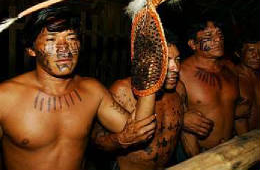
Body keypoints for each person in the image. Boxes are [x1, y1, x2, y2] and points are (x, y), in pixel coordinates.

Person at [0, 7, 156, 170]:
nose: (64, 48)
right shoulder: (2, 99)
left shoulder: (92, 91)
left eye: (71, 38)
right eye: (51, 40)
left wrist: (149, 72)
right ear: (31, 50)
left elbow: (139, 131)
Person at [91, 30, 184, 170]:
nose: (175, 68)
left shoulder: (180, 89)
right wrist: (121, 140)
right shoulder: (122, 90)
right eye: (166, 60)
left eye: (177, 59)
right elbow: (97, 140)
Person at [179, 18, 249, 157]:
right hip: (197, 155)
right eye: (209, 36)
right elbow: (166, 113)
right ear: (193, 44)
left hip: (231, 149)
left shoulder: (230, 68)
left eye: (220, 35)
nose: (218, 40)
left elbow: (235, 111)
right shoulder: (180, 73)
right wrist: (181, 119)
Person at [235, 35, 260, 130]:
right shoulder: (231, 78)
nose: (257, 56)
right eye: (251, 51)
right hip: (242, 141)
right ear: (238, 53)